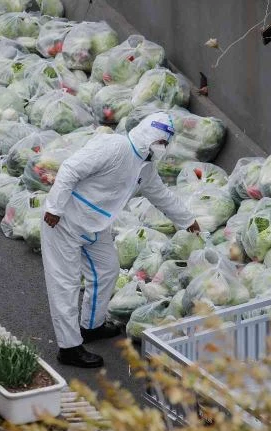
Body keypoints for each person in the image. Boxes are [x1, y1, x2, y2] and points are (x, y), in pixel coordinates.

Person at [41, 112, 200, 368]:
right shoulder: (114, 147)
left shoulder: (145, 167)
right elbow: (71, 169)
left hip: (97, 226)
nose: (162, 148)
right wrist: (54, 208)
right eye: (160, 141)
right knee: (65, 284)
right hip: (64, 221)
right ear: (148, 135)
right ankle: (68, 347)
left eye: (165, 143)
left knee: (107, 271)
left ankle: (91, 326)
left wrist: (188, 221)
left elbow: (162, 195)